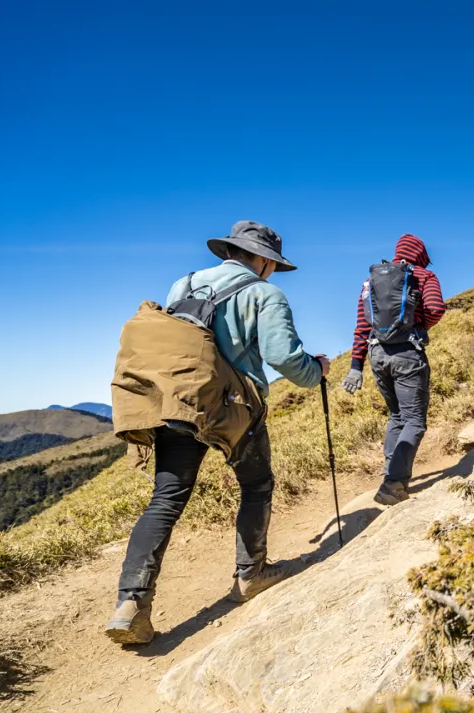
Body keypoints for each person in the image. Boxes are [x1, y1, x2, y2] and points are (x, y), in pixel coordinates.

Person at [106, 221, 330, 645]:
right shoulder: (265, 294)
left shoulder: (183, 284)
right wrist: (317, 369)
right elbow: (285, 359)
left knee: (166, 500)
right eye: (273, 265)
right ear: (263, 259)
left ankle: (130, 604)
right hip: (233, 410)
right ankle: (251, 574)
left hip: (177, 404)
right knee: (257, 483)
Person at [341, 234, 446, 506]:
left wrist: (355, 367)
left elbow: (362, 326)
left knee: (397, 415)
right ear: (421, 254)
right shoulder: (424, 276)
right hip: (407, 355)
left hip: (377, 354)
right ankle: (394, 483)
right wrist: (419, 327)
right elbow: (436, 308)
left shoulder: (370, 280)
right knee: (414, 420)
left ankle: (390, 473)